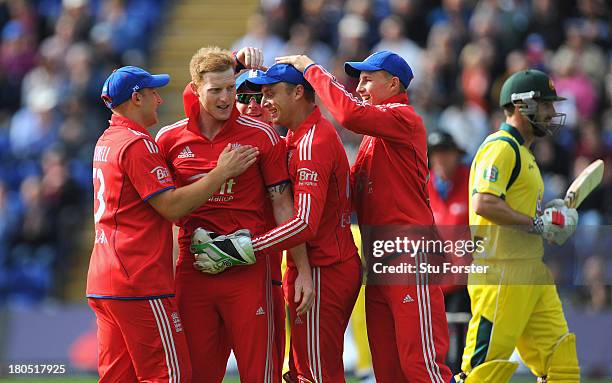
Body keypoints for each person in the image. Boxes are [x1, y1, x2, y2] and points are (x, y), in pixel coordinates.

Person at [277, 51, 454, 382]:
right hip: (382, 258)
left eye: (367, 79)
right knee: (388, 369)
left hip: (409, 254)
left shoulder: (403, 118)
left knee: (422, 366)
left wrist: (311, 69)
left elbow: (347, 114)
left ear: (393, 83)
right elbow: (348, 199)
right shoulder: (377, 135)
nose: (359, 87)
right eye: (358, 80)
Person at [86, 66, 258, 382]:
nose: (159, 100)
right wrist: (220, 173)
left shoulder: (107, 139)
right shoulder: (138, 144)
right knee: (169, 375)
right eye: (153, 93)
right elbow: (170, 206)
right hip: (139, 280)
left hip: (103, 280)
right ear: (136, 98)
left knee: (118, 377)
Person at [155, 47, 314, 383]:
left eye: (231, 88)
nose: (227, 98)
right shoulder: (169, 139)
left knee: (261, 375)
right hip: (193, 271)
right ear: (195, 90)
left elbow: (283, 205)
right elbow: (164, 215)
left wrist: (302, 269)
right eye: (216, 91)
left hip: (248, 273)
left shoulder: (262, 136)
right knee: (195, 375)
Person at [242, 63, 362, 382]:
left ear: (298, 92)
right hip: (319, 265)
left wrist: (241, 248)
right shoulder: (300, 135)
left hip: (325, 269)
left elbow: (305, 223)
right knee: (301, 371)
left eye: (271, 93)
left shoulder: (312, 144)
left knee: (314, 374)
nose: (263, 101)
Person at [458, 69, 580, 382]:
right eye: (545, 104)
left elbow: (521, 210)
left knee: (561, 366)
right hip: (501, 273)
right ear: (521, 104)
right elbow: (483, 203)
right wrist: (537, 223)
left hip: (531, 272)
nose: (552, 112)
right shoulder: (501, 147)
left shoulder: (525, 155)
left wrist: (549, 215)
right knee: (483, 373)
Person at [426, 131, 471, 373]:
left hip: (463, 281)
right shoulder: (423, 184)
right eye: (437, 154)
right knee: (433, 342)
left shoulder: (470, 180)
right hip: (432, 279)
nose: (442, 159)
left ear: (456, 155)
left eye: (446, 153)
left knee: (460, 345)